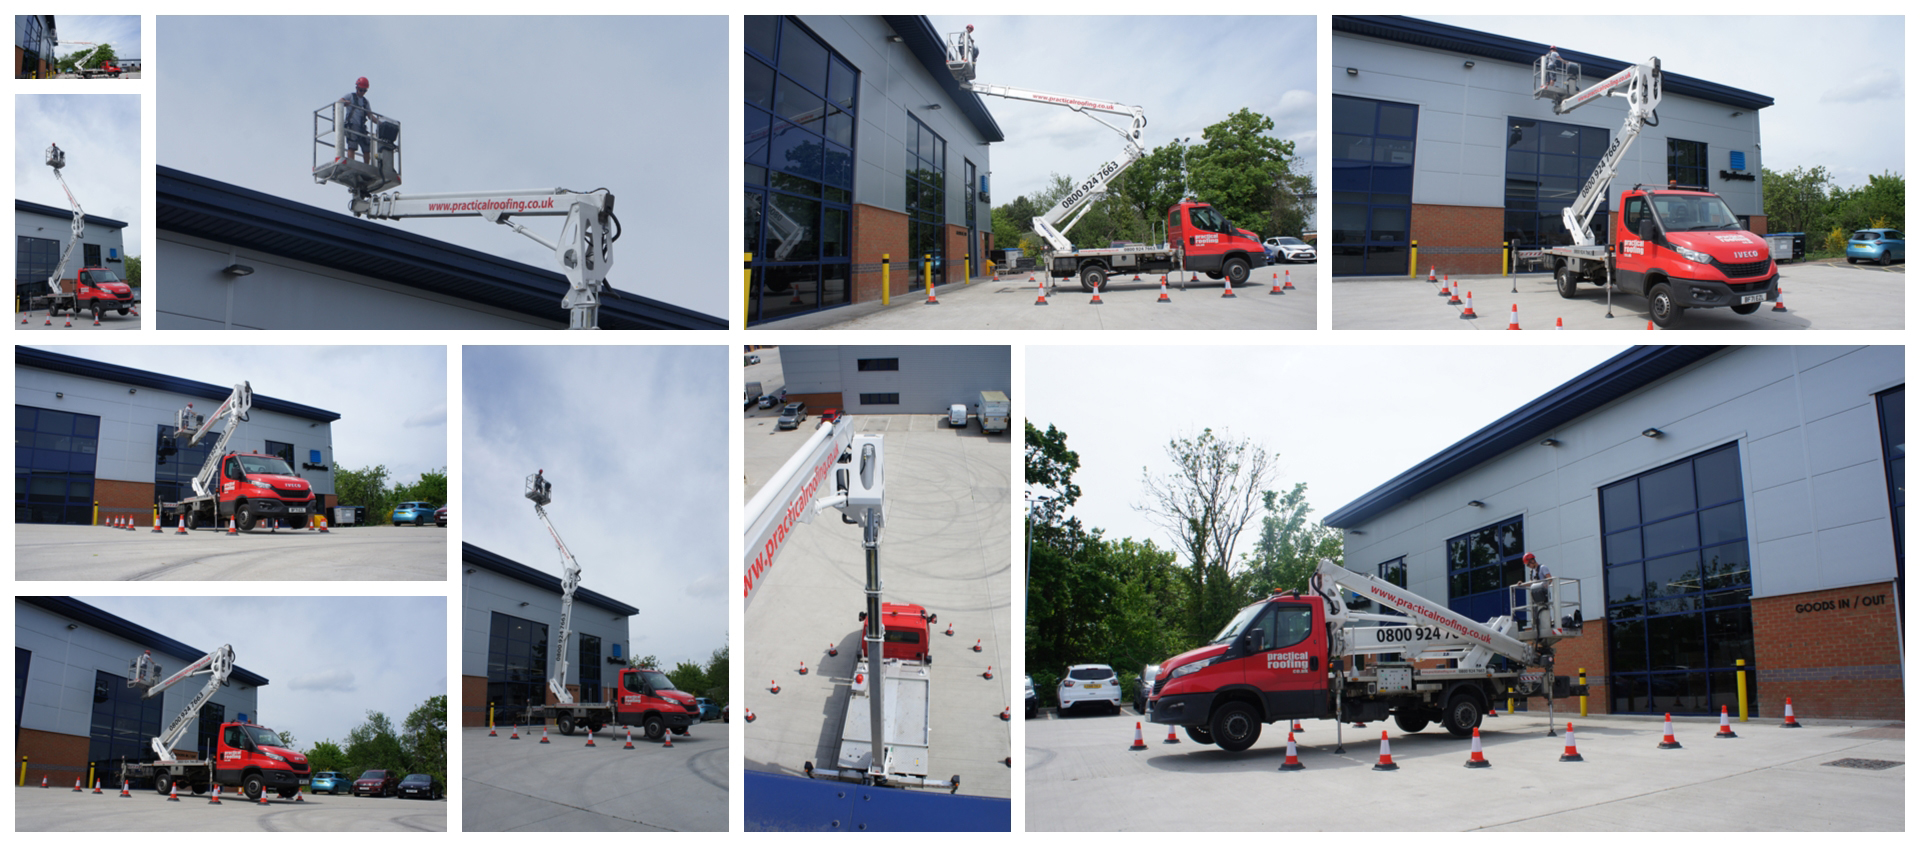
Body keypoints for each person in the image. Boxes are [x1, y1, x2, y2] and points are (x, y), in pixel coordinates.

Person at [340, 76, 377, 163]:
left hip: (362, 127)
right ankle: (351, 163)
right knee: (352, 145)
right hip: (352, 125)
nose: (363, 92)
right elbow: (339, 102)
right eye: (361, 90)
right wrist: (345, 103)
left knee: (366, 146)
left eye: (365, 90)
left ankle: (366, 165)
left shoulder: (365, 102)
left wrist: (380, 123)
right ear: (357, 88)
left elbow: (370, 115)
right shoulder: (350, 96)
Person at [1521, 552, 1552, 629]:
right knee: (1536, 612)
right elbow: (1532, 583)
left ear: (1532, 561)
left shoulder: (1543, 568)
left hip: (1544, 594)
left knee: (1544, 610)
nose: (1528, 566)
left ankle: (1547, 624)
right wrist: (1522, 584)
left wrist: (1544, 585)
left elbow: (1550, 579)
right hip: (1536, 595)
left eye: (1528, 564)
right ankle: (1539, 626)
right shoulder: (1532, 571)